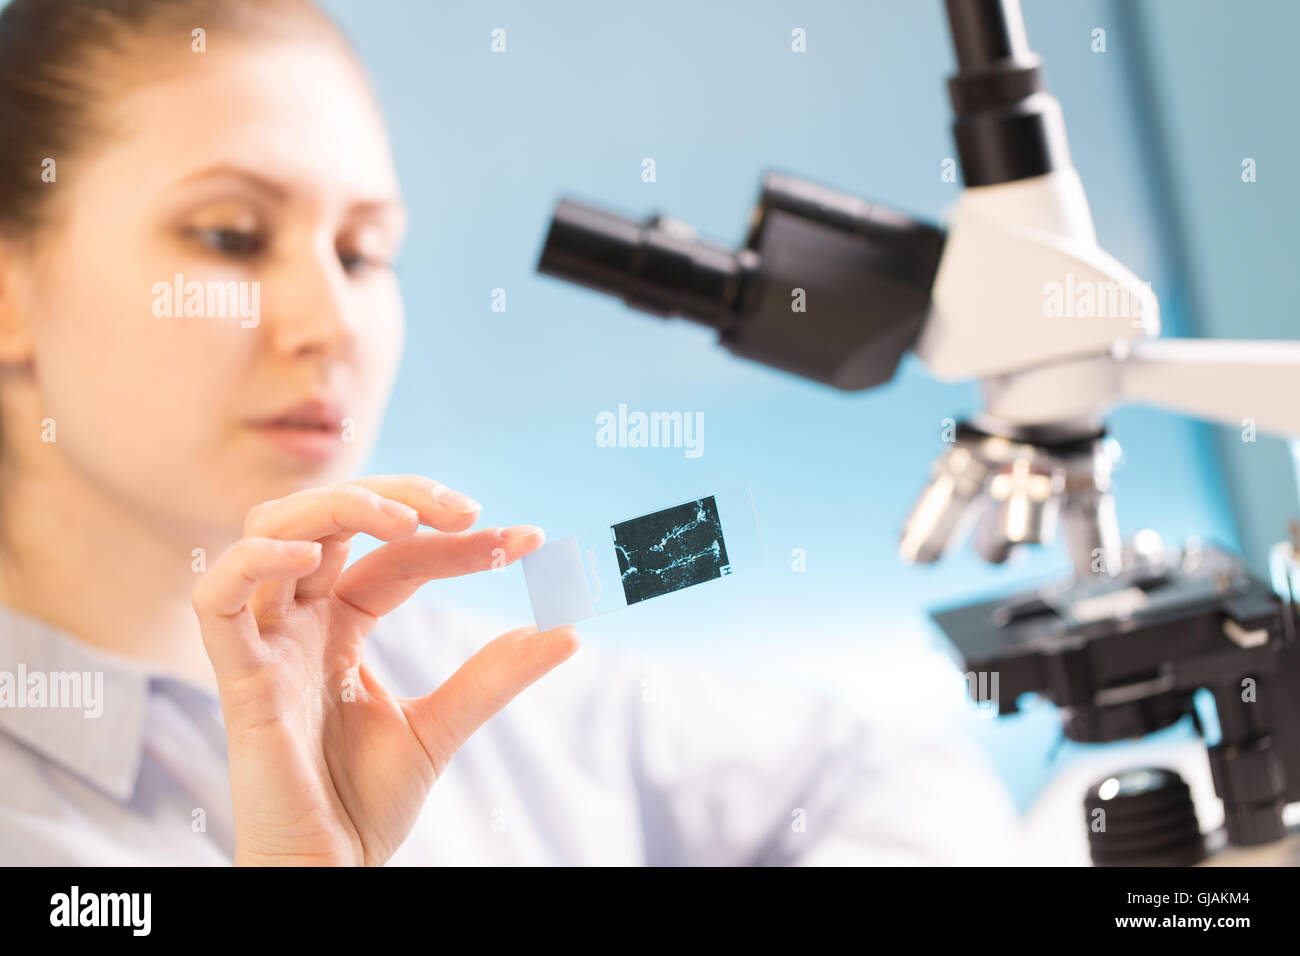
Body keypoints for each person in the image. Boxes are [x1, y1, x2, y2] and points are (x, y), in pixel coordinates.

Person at [0, 0, 1017, 865]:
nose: (331, 321)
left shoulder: (451, 674)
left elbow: (889, 766)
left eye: (361, 253)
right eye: (229, 236)